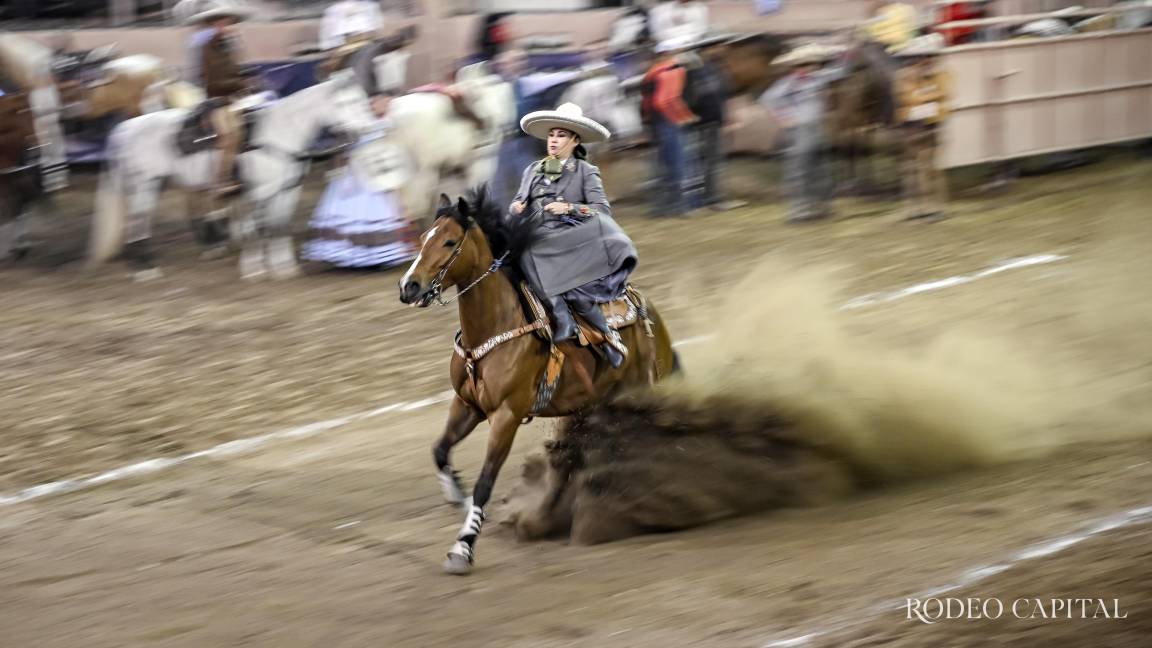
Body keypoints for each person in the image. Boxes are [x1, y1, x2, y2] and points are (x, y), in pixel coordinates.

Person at [510, 103, 637, 369]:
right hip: (537, 235)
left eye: (561, 135)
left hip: (573, 238)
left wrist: (569, 207)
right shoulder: (533, 170)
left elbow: (602, 210)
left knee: (570, 283)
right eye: (552, 134)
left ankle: (604, 335)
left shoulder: (585, 171)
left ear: (574, 140)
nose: (554, 140)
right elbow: (519, 200)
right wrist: (517, 206)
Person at [175, 0, 253, 200]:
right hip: (210, 96)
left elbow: (232, 70)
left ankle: (239, 171)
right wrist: (240, 84)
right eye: (225, 22)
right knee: (229, 136)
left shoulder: (226, 44)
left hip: (226, 95)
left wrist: (245, 78)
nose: (229, 26)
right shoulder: (206, 45)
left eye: (230, 22)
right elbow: (211, 78)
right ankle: (220, 182)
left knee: (250, 123)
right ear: (215, 23)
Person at [759, 43, 844, 223]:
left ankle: (821, 207)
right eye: (805, 64)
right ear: (796, 67)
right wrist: (784, 119)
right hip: (800, 129)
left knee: (820, 168)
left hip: (816, 126)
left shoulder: (818, 78)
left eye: (812, 64)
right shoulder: (787, 83)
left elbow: (841, 71)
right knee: (800, 170)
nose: (810, 67)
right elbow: (767, 100)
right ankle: (798, 211)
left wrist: (839, 55)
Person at [681, 34, 745, 212]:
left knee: (711, 162)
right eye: (718, 46)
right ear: (709, 48)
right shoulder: (695, 71)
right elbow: (695, 96)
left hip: (712, 121)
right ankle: (708, 200)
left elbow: (720, 96)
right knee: (707, 162)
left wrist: (726, 115)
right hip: (702, 122)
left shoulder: (714, 69)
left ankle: (711, 199)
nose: (722, 49)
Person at [641, 35, 699, 217]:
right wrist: (684, 116)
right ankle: (680, 206)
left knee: (663, 164)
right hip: (668, 121)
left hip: (656, 122)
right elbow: (665, 101)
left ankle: (664, 206)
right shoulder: (674, 69)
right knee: (678, 163)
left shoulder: (654, 70)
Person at [894, 34, 950, 221]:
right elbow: (906, 98)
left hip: (930, 125)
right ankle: (913, 208)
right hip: (910, 126)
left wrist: (920, 96)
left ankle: (935, 207)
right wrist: (928, 96)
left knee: (930, 168)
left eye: (929, 56)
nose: (925, 60)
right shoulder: (904, 76)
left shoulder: (942, 75)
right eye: (922, 56)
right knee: (909, 168)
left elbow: (945, 93)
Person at [319, 0, 385, 52]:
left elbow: (374, 31)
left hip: (366, 45)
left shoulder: (370, 6)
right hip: (342, 47)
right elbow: (327, 42)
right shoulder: (332, 11)